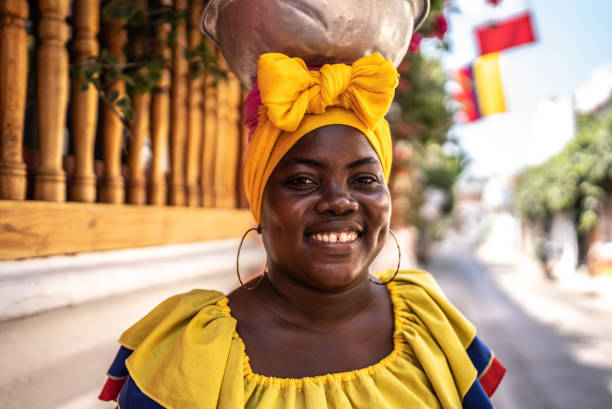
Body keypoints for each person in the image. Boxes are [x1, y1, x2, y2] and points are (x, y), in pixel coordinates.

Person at [99, 52, 505, 409]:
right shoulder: (195, 350)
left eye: (364, 180)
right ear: (259, 204)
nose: (340, 201)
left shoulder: (429, 322)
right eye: (302, 181)